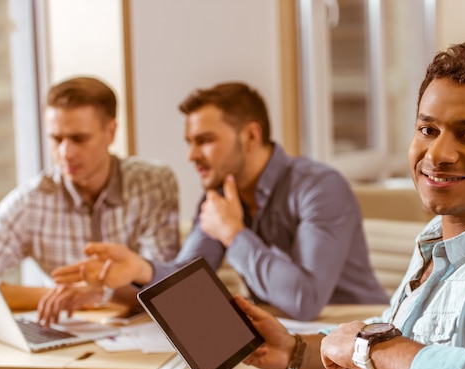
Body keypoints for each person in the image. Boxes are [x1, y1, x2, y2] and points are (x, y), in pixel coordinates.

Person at [234, 40, 465, 369]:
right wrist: (296, 350)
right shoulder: (440, 242)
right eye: (428, 129)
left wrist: (370, 346)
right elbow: (407, 356)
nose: (437, 155)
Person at [48, 81, 389, 322]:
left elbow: (306, 300)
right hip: (288, 341)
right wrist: (141, 269)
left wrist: (234, 234)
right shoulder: (217, 195)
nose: (191, 155)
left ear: (251, 136)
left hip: (359, 346)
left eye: (205, 140)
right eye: (190, 142)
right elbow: (187, 281)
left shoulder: (319, 187)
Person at [0, 76, 180, 318]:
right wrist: (59, 295)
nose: (65, 153)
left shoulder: (153, 184)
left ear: (110, 132)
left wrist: (100, 293)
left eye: (79, 139)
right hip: (72, 336)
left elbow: (166, 286)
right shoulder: (31, 201)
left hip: (146, 334)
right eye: (56, 138)